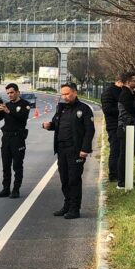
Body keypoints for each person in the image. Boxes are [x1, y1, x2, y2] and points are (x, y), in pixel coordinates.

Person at [42, 83, 95, 219]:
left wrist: (85, 149)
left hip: (75, 150)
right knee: (64, 178)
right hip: (62, 149)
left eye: (67, 94)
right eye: (63, 94)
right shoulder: (61, 109)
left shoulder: (84, 109)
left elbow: (90, 130)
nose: (64, 97)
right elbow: (56, 124)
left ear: (75, 93)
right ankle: (67, 204)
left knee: (74, 179)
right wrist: (49, 125)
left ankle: (74, 208)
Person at [0, 82, 31, 198]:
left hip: (18, 138)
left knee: (17, 165)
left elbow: (22, 119)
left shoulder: (25, 105)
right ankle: (6, 188)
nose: (10, 95)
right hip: (6, 138)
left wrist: (9, 112)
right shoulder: (7, 105)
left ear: (17, 92)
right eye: (8, 93)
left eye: (11, 92)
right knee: (6, 165)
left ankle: (16, 189)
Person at [116, 74, 135, 188]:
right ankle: (122, 180)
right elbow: (132, 109)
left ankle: (127, 178)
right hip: (126, 128)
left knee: (129, 154)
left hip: (131, 127)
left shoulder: (131, 93)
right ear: (127, 82)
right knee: (124, 154)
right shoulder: (126, 94)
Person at [100, 73, 127, 183]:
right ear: (121, 81)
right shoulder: (109, 92)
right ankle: (113, 174)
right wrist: (123, 110)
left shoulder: (123, 91)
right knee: (115, 150)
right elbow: (107, 109)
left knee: (121, 150)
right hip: (114, 125)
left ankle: (121, 174)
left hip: (122, 125)